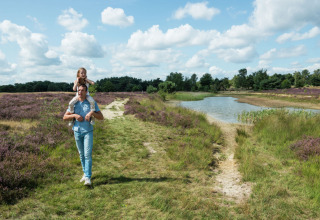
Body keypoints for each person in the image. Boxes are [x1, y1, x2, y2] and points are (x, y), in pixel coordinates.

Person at [63, 84, 104, 186]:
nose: (80, 92)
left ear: (86, 92)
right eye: (79, 90)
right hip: (77, 131)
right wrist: (75, 115)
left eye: (82, 90)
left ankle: (88, 178)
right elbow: (64, 117)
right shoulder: (74, 103)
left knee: (87, 154)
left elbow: (101, 117)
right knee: (81, 155)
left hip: (88, 131)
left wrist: (92, 113)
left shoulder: (91, 103)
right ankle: (85, 173)